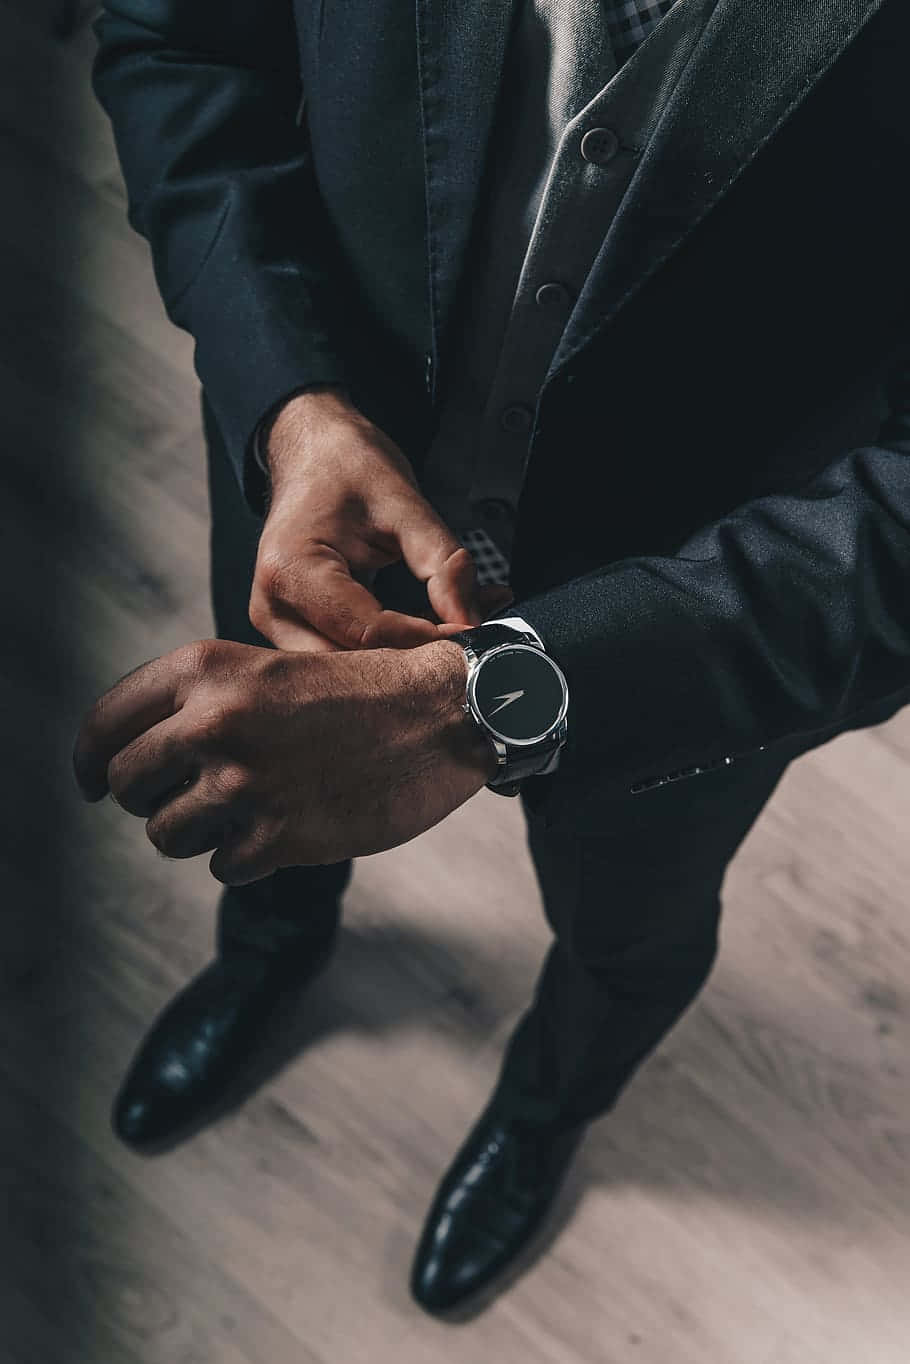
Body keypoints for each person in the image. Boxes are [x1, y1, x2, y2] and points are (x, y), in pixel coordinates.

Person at [75, 0, 910, 1315]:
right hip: (313, 511)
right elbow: (179, 46)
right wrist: (290, 397)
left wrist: (489, 700)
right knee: (266, 798)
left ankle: (543, 1109)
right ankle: (268, 954)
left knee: (627, 933)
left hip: (703, 617)